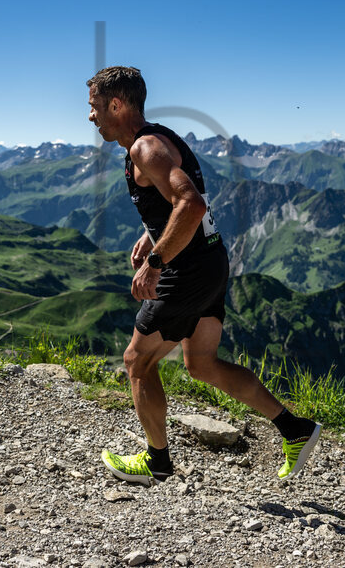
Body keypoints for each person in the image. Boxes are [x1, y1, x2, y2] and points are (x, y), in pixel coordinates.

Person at [88, 66, 321, 485]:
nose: (91, 116)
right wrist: (152, 233)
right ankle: (294, 429)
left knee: (136, 361)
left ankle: (156, 462)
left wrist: (156, 261)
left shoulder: (145, 148)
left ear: (116, 105)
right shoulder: (161, 138)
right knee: (202, 364)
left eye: (94, 107)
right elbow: (179, 201)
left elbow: (191, 205)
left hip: (186, 270)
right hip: (211, 262)